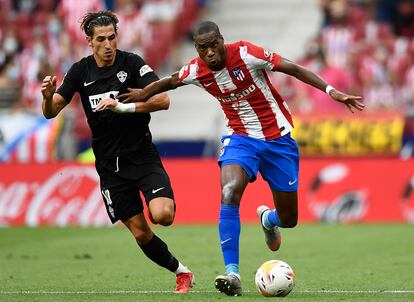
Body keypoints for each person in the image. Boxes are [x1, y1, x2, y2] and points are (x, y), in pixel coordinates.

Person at [96, 20, 365, 296]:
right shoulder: (196, 69)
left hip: (278, 139)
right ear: (197, 49)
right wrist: (143, 93)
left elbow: (293, 68)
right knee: (229, 191)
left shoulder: (247, 53)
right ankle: (232, 273)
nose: (210, 52)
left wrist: (333, 92)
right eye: (203, 48)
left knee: (289, 218)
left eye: (214, 45)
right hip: (240, 139)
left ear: (222, 40)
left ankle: (269, 221)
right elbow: (172, 80)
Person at [41, 11, 195, 293]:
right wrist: (47, 97)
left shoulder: (132, 63)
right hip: (109, 168)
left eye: (112, 37)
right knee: (140, 232)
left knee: (163, 215)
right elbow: (51, 113)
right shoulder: (79, 72)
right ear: (89, 41)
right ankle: (181, 272)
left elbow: (163, 99)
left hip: (141, 155)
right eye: (101, 39)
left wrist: (122, 106)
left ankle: (156, 198)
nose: (108, 44)